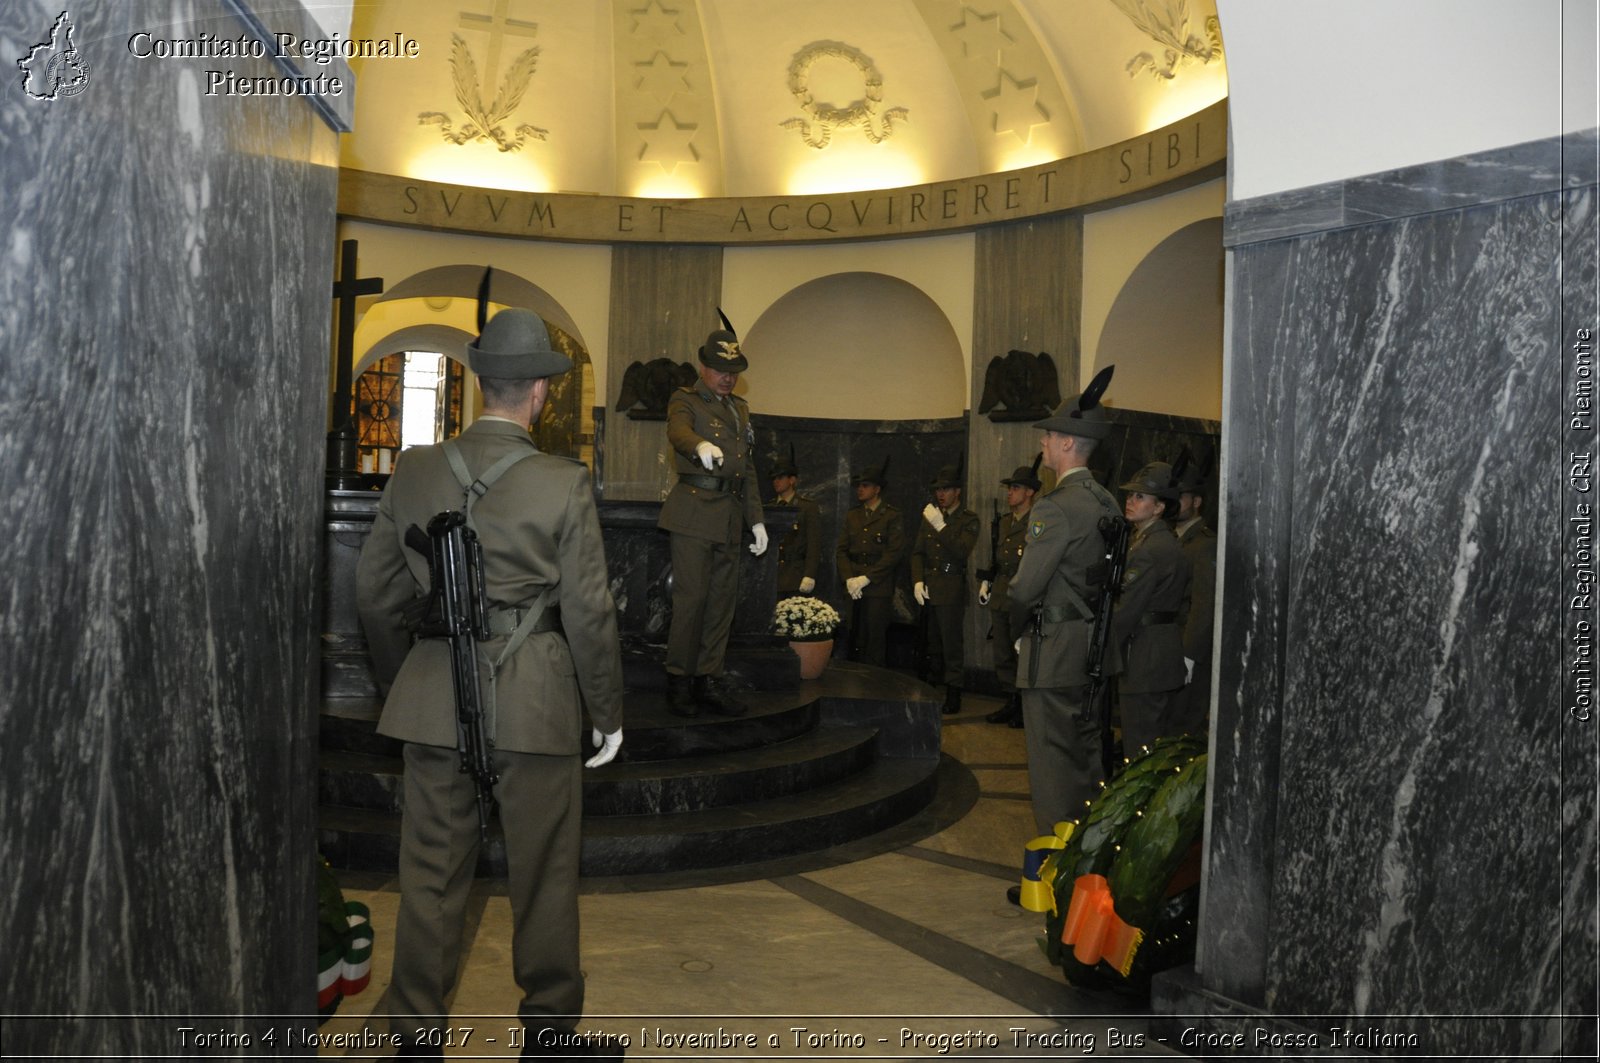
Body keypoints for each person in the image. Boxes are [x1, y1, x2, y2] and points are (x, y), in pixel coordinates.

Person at [355, 307, 624, 1061]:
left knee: (432, 875)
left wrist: (402, 681)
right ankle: (546, 1032)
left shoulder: (414, 468)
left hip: (434, 694)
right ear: (539, 392)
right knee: (544, 872)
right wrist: (606, 712)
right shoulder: (564, 482)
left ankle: (415, 1037)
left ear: (481, 384)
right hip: (536, 701)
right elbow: (590, 611)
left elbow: (375, 594)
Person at [1007, 367, 1122, 841]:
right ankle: (1090, 857)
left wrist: (1016, 630)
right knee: (1086, 757)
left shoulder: (1054, 507)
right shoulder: (1108, 502)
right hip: (1094, 646)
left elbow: (1022, 590)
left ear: (1070, 443)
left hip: (1052, 651)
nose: (1044, 445)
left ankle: (1058, 872)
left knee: (1053, 764)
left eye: (1050, 437)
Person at [658, 315, 769, 717]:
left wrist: (756, 519)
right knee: (692, 602)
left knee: (721, 605)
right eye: (720, 370)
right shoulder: (685, 399)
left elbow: (747, 469)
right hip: (693, 513)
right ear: (704, 367)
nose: (727, 378)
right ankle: (679, 683)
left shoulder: (741, 409)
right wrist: (699, 444)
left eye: (733, 371)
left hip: (729, 516)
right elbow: (678, 432)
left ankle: (708, 679)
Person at [1110, 461, 1192, 756]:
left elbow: (1126, 612)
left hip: (1143, 657)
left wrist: (1099, 651)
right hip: (1160, 652)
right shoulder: (1158, 541)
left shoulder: (1148, 550)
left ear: (1159, 508)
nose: (1130, 502)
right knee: (1153, 744)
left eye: (1140, 497)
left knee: (1140, 746)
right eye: (1130, 496)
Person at [911, 463, 980, 714]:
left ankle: (954, 692)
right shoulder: (930, 516)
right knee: (932, 644)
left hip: (951, 588)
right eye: (938, 489)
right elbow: (917, 552)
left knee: (951, 645)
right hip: (930, 587)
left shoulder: (968, 519)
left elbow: (961, 551)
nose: (941, 494)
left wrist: (941, 526)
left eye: (947, 489)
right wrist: (917, 580)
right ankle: (932, 687)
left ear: (957, 492)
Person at [980, 457, 1041, 727]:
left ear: (1029, 492)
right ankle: (1011, 700)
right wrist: (989, 581)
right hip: (1002, 592)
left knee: (1022, 654)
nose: (1010, 493)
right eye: (1009, 488)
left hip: (1022, 596)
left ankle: (1024, 707)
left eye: (1015, 488)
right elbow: (998, 557)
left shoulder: (1037, 523)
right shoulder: (1004, 522)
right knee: (1003, 653)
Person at [836, 457, 904, 666]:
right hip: (854, 585)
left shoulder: (891, 516)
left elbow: (894, 553)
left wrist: (868, 578)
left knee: (874, 639)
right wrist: (849, 578)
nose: (860, 489)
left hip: (877, 586)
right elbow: (841, 550)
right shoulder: (853, 515)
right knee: (854, 636)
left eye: (865, 485)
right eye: (859, 485)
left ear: (877, 489)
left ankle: (874, 689)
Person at [1172, 458, 1217, 737]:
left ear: (1196, 501)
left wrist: (1188, 655)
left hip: (1189, 650)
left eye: (1181, 496)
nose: (1174, 502)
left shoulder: (1204, 544)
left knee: (1183, 729)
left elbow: (1203, 605)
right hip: (1166, 647)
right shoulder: (1171, 538)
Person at [769, 446, 821, 598]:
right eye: (774, 478)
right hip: (772, 576)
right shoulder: (770, 507)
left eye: (780, 477)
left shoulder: (806, 507)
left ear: (792, 480)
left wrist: (809, 574)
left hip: (796, 576)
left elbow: (814, 544)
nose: (775, 481)